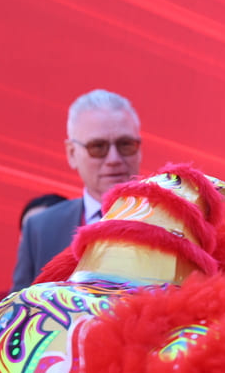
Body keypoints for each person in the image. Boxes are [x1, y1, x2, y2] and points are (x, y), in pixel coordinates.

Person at [11, 89, 143, 291]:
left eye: (125, 145)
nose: (114, 159)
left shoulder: (176, 225)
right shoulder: (41, 229)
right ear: (72, 153)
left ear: (139, 148)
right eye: (98, 147)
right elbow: (19, 314)